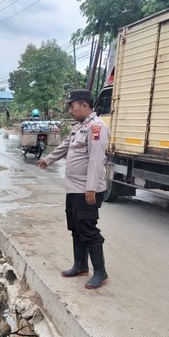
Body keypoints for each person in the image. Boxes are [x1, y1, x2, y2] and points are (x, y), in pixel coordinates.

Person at [36, 89, 110, 289]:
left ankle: (101, 272)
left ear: (85, 105)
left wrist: (91, 188)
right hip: (74, 188)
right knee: (76, 227)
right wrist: (48, 160)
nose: (70, 109)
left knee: (88, 228)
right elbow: (65, 146)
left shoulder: (96, 128)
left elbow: (96, 160)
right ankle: (80, 265)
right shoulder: (79, 127)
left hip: (87, 189)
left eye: (72, 106)